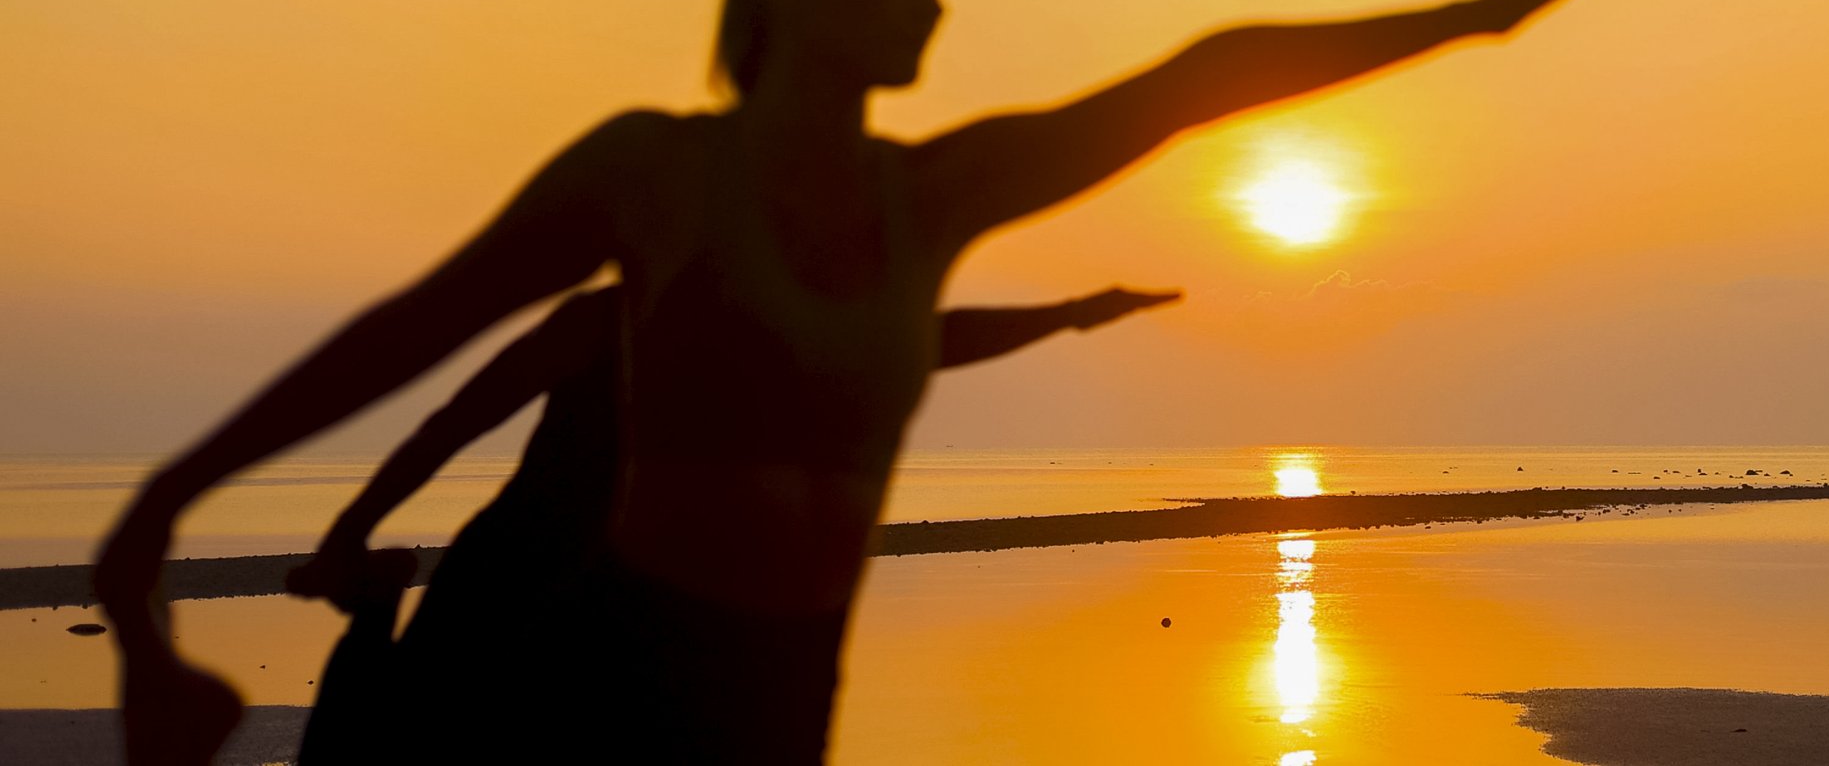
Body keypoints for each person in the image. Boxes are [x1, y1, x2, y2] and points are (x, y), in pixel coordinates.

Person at [95, 0, 1657, 765]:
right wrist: (165, 500)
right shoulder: (656, 172)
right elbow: (421, 331)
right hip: (606, 674)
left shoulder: (938, 193)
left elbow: (1194, 79)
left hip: (788, 690)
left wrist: (1479, 18)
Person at [285, 283, 1176, 764]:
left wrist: (1064, 316)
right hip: (515, 562)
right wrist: (348, 530)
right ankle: (372, 598)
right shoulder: (598, 323)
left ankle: (373, 598)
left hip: (619, 598)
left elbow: (926, 337)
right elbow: (453, 423)